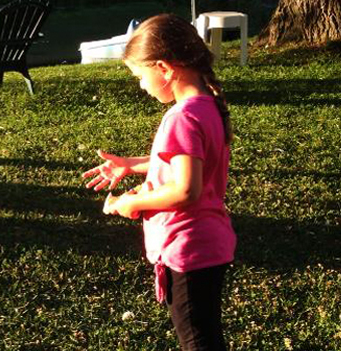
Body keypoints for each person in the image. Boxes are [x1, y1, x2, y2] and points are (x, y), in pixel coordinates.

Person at [80, 13, 236, 351]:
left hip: (189, 248)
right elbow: (188, 162)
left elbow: (185, 190)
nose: (140, 85)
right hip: (211, 244)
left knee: (196, 339)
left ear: (164, 68)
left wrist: (130, 203)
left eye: (140, 76)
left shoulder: (180, 117)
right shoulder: (207, 106)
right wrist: (133, 166)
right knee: (205, 332)